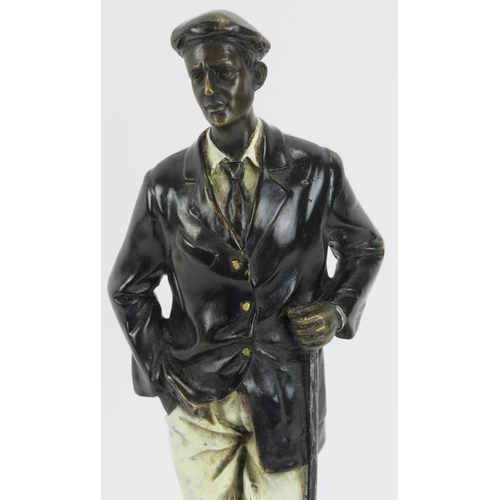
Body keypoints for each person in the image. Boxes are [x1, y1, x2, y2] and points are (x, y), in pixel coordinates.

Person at [108, 10, 384, 500]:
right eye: (197, 75)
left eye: (223, 72)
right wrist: (166, 379)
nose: (208, 89)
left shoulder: (315, 171)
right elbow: (127, 288)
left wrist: (337, 310)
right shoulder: (165, 186)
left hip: (285, 396)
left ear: (257, 76)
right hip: (198, 406)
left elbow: (364, 247)